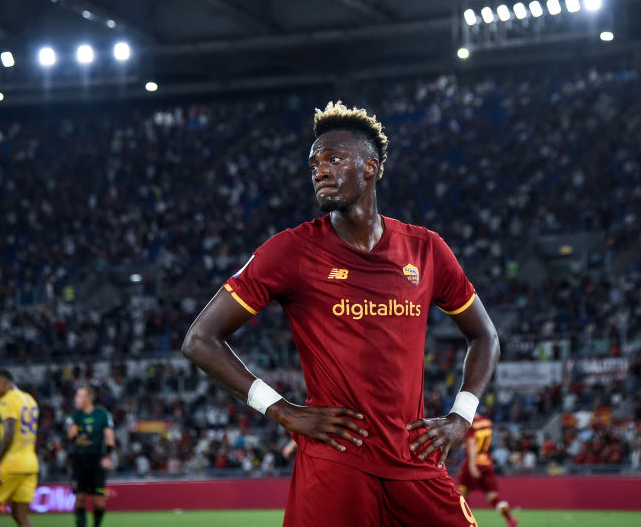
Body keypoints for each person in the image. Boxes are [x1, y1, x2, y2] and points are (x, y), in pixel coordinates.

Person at [183, 101, 501, 527]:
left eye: (334, 159)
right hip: (335, 462)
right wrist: (283, 411)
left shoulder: (425, 250)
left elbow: (485, 335)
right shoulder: (291, 250)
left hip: (414, 457)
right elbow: (199, 340)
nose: (320, 170)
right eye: (314, 162)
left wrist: (461, 416)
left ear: (370, 168)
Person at [0, 370, 39, 527]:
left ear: (3, 383)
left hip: (11, 463)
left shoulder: (7, 400)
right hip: (30, 463)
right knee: (20, 514)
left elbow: (9, 433)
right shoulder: (30, 399)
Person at [65, 385, 116, 527]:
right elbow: (71, 435)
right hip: (79, 461)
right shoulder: (75, 416)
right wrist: (76, 439)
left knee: (99, 503)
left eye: (79, 396)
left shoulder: (103, 415)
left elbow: (109, 438)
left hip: (96, 461)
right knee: (79, 498)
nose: (76, 399)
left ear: (89, 399)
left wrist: (107, 456)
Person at [457, 414, 516, 527]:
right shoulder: (487, 421)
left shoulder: (470, 424)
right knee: (492, 496)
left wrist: (472, 466)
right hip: (486, 462)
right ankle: (510, 519)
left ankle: (465, 523)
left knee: (462, 495)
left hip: (473, 462)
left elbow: (472, 445)